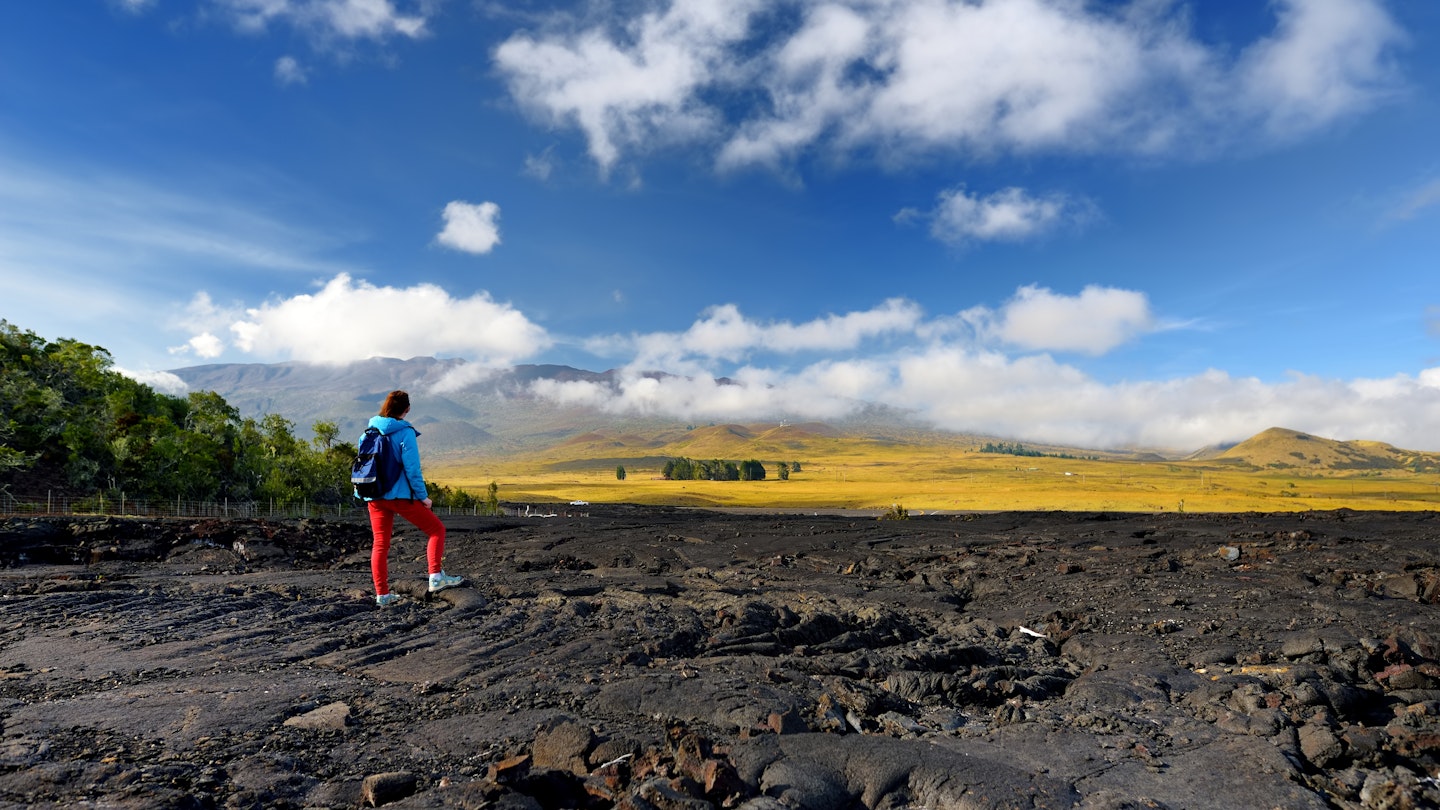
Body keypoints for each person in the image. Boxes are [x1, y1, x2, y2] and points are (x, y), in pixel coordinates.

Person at [358, 390, 463, 606]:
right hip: (399, 496)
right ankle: (435, 577)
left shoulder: (368, 431)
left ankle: (383, 595)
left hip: (374, 496)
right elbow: (412, 469)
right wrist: (423, 497)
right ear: (406, 409)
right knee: (436, 530)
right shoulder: (405, 432)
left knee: (380, 545)